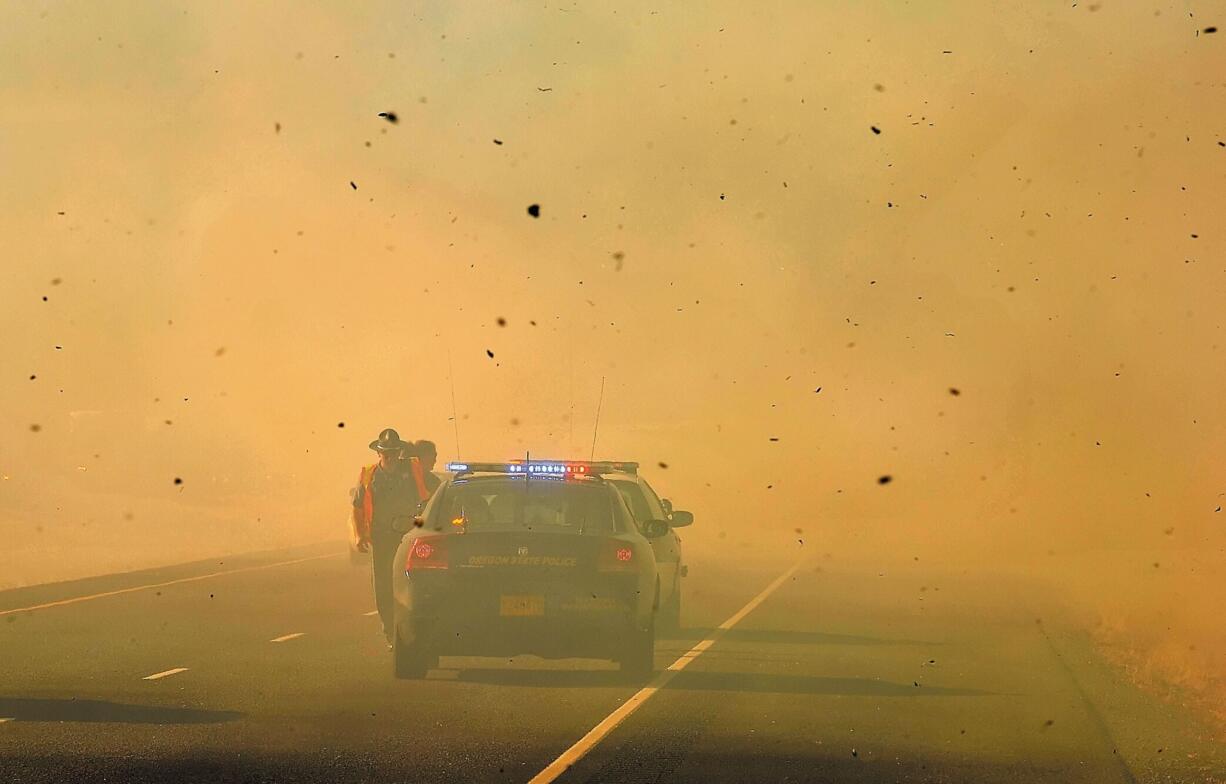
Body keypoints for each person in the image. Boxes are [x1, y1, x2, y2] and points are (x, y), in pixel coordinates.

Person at [351, 428, 429, 646]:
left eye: (394, 451)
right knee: (384, 586)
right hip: (382, 538)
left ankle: (412, 630)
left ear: (399, 452)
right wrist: (359, 535)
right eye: (385, 452)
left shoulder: (413, 470)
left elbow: (432, 494)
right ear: (378, 453)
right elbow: (357, 507)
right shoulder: (368, 475)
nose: (390, 456)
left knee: (411, 583)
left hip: (409, 537)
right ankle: (390, 632)